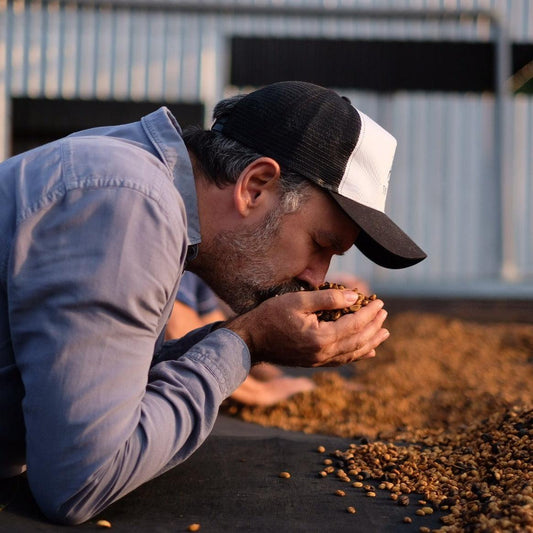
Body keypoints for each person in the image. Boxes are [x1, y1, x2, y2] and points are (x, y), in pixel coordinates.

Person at [0, 81, 426, 524]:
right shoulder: (132, 205)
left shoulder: (139, 177)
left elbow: (99, 377)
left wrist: (238, 339)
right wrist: (248, 342)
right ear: (255, 186)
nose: (316, 278)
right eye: (320, 244)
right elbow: (80, 479)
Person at [166, 271, 315, 406]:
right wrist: (260, 392)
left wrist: (272, 376)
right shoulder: (178, 252)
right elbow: (177, 329)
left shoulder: (196, 260)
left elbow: (216, 329)